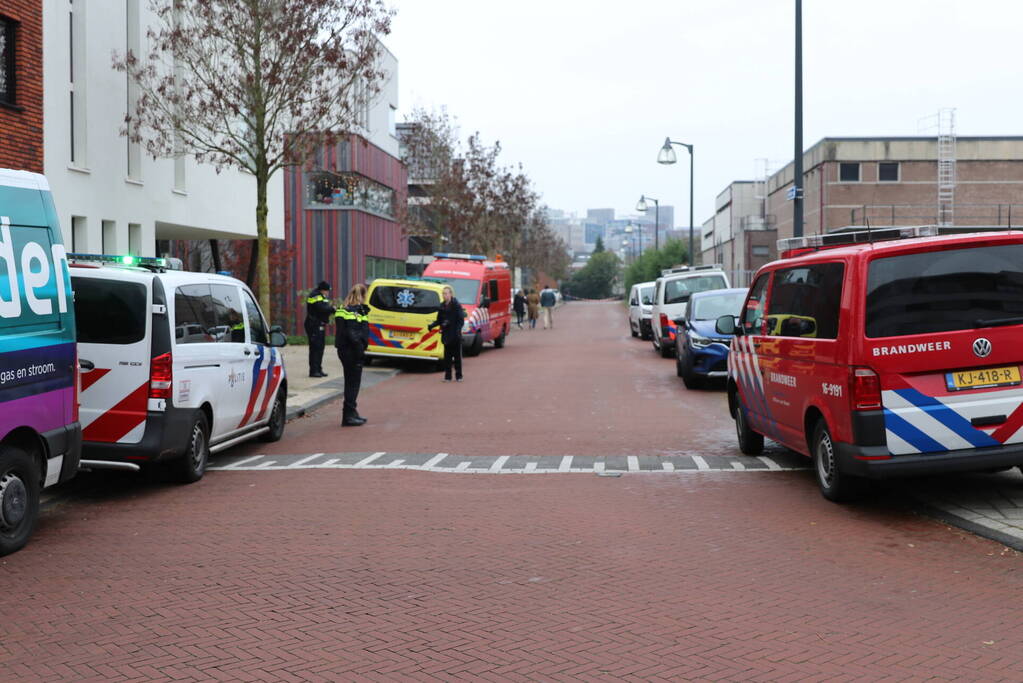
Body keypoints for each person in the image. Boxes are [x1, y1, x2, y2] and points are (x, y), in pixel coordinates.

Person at [334, 284, 370, 426]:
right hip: (353, 351)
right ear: (361, 296)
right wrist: (360, 351)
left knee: (350, 382)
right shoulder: (356, 312)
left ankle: (351, 413)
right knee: (353, 384)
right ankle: (348, 416)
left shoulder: (342, 309)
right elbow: (355, 334)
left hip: (343, 350)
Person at [429, 285, 466, 382]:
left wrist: (457, 331)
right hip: (446, 335)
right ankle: (447, 377)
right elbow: (439, 320)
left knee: (457, 357)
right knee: (447, 358)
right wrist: (432, 325)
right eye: (443, 294)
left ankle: (459, 376)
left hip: (455, 335)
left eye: (446, 293)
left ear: (450, 294)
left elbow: (461, 320)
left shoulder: (456, 305)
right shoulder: (442, 306)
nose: (444, 295)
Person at [304, 280, 334, 378]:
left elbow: (325, 308)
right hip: (313, 325)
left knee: (320, 347)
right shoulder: (315, 296)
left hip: (319, 325)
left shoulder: (321, 296)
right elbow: (322, 309)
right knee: (315, 348)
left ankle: (318, 369)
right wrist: (332, 309)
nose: (328, 293)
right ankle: (313, 371)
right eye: (327, 291)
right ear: (322, 290)